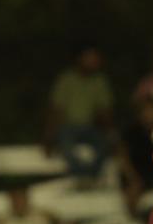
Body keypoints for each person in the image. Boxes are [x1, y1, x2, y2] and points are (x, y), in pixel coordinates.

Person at [45, 45, 116, 177]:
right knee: (65, 145)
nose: (94, 61)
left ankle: (89, 175)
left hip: (91, 127)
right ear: (80, 59)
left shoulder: (99, 81)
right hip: (68, 127)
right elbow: (56, 110)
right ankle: (81, 175)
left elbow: (104, 111)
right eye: (90, 58)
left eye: (96, 58)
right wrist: (49, 136)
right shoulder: (66, 79)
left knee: (106, 143)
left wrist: (110, 132)